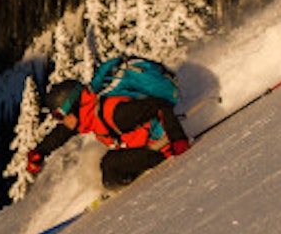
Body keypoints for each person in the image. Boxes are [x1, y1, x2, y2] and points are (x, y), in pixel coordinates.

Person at [26, 77, 191, 189]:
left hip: (162, 146)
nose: (59, 121)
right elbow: (62, 133)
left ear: (74, 106)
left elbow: (160, 106)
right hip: (144, 146)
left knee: (109, 164)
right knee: (104, 165)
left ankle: (124, 189)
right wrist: (40, 152)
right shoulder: (88, 114)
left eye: (59, 115)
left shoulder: (115, 113)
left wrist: (178, 139)